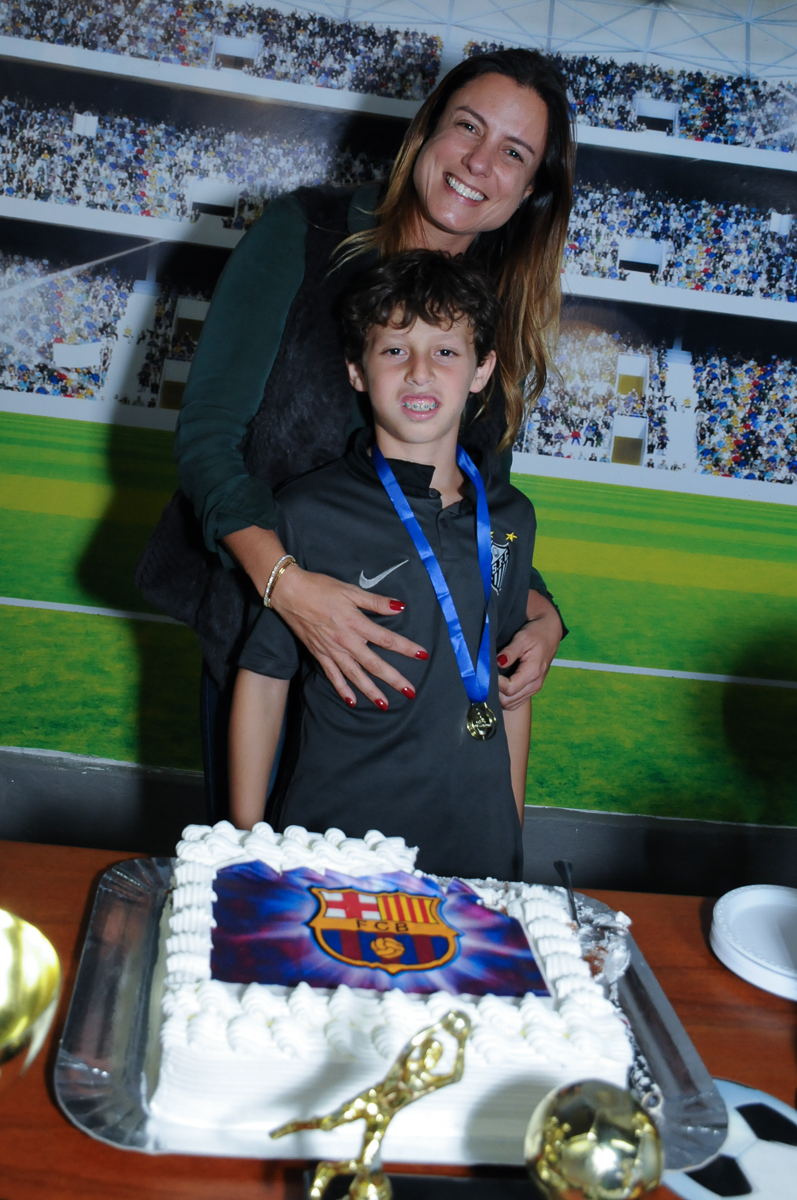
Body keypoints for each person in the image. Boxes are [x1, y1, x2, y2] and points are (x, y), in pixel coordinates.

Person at [136, 48, 574, 816]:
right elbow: (208, 439)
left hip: (404, 669)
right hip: (265, 630)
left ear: (532, 189)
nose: (479, 162)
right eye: (466, 127)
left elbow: (473, 505)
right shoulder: (302, 233)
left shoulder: (497, 313)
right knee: (266, 892)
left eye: (513, 152)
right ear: (426, 129)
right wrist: (289, 589)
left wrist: (541, 616)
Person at [228, 251, 538, 881]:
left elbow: (509, 689)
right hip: (335, 844)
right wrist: (242, 845)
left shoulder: (510, 517)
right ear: (357, 371)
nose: (420, 372)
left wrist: (509, 833)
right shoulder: (307, 511)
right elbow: (263, 682)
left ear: (483, 370)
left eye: (446, 352)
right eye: (394, 350)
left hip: (475, 851)